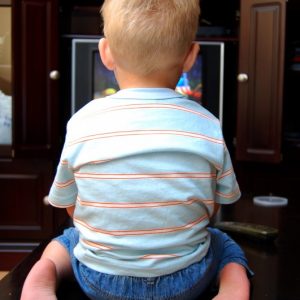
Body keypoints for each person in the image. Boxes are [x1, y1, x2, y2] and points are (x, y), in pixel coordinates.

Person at [21, 1, 252, 299]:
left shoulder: (82, 121)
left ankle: (43, 276)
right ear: (191, 56)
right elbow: (217, 204)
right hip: (185, 282)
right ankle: (232, 287)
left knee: (65, 241)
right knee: (223, 243)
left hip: (100, 282)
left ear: (105, 53)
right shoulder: (207, 123)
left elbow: (70, 205)